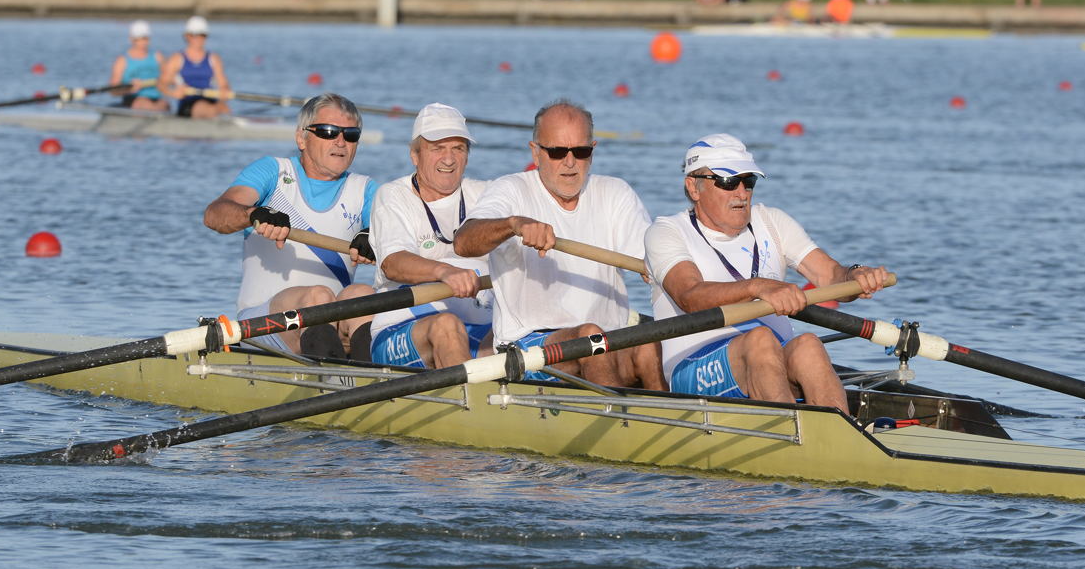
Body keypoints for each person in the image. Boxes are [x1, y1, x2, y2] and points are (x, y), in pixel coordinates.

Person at [644, 134, 890, 410]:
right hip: (694, 367)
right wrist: (757, 287)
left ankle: (841, 437)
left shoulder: (772, 221)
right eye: (728, 182)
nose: (741, 193)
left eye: (748, 181)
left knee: (808, 345)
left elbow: (830, 276)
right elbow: (690, 296)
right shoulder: (667, 232)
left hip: (771, 357)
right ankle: (789, 436)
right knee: (760, 342)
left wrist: (855, 276)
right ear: (694, 187)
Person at [454, 100, 666, 390]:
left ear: (592, 151)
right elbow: (464, 242)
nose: (569, 162)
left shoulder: (615, 194)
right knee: (590, 337)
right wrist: (513, 225)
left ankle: (663, 419)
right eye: (557, 152)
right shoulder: (511, 190)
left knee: (649, 341)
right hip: (529, 348)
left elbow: (652, 260)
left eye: (580, 152)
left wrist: (662, 269)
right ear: (536, 152)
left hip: (605, 341)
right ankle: (621, 423)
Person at [203, 93, 379, 358]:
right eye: (328, 132)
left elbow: (394, 240)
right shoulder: (272, 172)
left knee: (364, 294)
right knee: (319, 297)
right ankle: (336, 383)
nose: (341, 141)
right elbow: (215, 215)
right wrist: (254, 214)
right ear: (301, 138)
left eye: (350, 134)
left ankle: (373, 381)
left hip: (328, 324)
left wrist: (374, 237)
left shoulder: (366, 189)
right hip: (262, 326)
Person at [363, 103, 493, 368]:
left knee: (535, 337)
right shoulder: (393, 196)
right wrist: (445, 271)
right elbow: (393, 262)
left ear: (467, 156)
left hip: (479, 330)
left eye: (458, 148)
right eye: (437, 148)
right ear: (415, 155)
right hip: (402, 328)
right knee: (447, 326)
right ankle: (471, 404)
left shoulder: (488, 195)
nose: (449, 159)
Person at [157, 15, 233, 119]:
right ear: (187, 36)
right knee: (203, 107)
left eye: (202, 35)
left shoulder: (214, 59)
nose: (198, 39)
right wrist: (174, 93)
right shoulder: (177, 59)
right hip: (188, 104)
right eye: (194, 35)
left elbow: (224, 84)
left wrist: (225, 90)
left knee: (224, 108)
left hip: (210, 101)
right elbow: (161, 84)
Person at [108, 20, 167, 111]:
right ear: (131, 39)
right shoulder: (122, 61)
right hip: (134, 98)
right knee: (144, 103)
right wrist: (129, 89)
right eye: (138, 39)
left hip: (156, 98)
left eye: (145, 38)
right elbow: (113, 91)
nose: (142, 42)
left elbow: (170, 79)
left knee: (164, 104)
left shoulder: (158, 57)